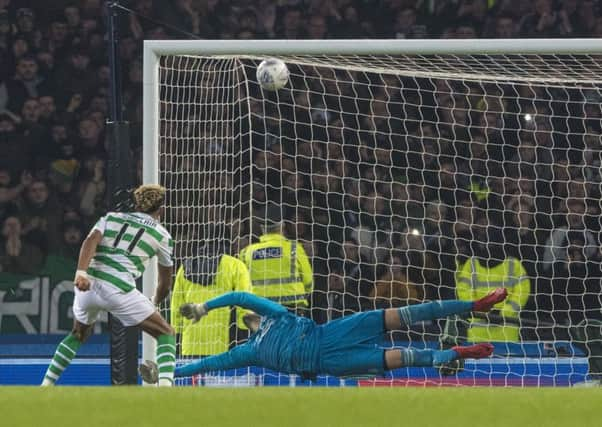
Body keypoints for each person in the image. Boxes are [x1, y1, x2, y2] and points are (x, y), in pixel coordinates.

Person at [139, 288, 508, 383]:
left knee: (405, 315)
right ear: (246, 325)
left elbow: (238, 297)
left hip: (330, 332)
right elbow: (208, 363)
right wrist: (166, 373)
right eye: (247, 314)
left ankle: (472, 306)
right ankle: (458, 353)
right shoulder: (248, 352)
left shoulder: (276, 313)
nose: (250, 310)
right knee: (398, 360)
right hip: (328, 360)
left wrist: (205, 308)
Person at [41, 184, 177, 386]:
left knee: (78, 334)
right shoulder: (162, 235)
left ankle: (46, 385)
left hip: (89, 285)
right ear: (162, 209)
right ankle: (166, 388)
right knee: (166, 333)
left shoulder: (111, 217)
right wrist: (155, 300)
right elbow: (165, 282)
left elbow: (91, 240)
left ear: (136, 204)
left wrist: (81, 272)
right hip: (118, 289)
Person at [170, 240, 252, 356]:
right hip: (225, 346)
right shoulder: (235, 266)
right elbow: (244, 304)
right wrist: (246, 337)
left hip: (190, 345)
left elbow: (176, 307)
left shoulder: (184, 268)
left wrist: (177, 336)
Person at [238, 203, 313, 312]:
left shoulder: (246, 252)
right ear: (282, 225)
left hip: (259, 310)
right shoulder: (294, 248)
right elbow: (308, 281)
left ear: (262, 228)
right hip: (291, 309)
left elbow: (241, 285)